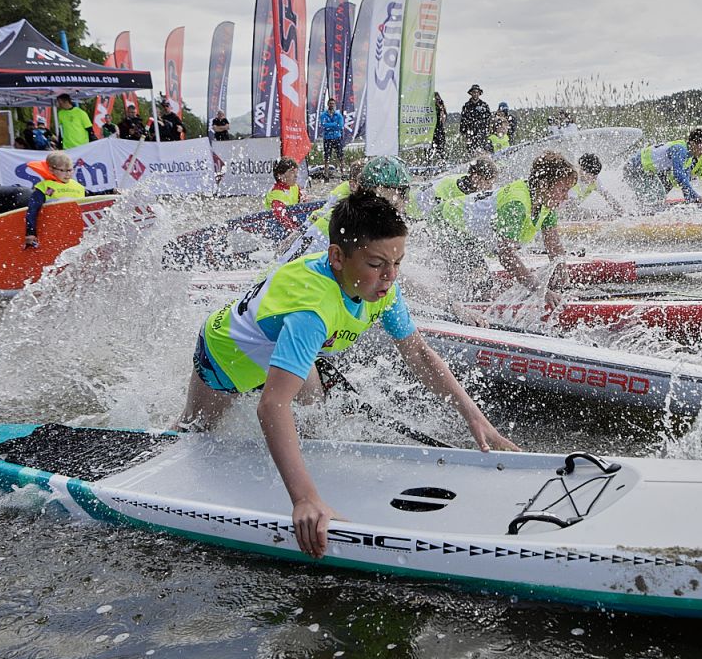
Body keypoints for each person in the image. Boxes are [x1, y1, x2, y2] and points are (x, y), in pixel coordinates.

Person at [177, 189, 518, 557]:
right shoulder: (313, 312)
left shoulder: (383, 287)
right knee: (197, 436)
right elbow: (271, 406)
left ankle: (303, 474)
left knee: (312, 421)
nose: (389, 276)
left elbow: (418, 354)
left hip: (283, 347)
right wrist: (304, 500)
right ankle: (177, 444)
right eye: (376, 265)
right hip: (225, 360)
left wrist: (476, 418)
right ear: (337, 258)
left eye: (397, 262)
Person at [427, 151, 576, 309]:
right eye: (563, 190)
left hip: (468, 232)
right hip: (446, 223)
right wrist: (541, 291)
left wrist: (562, 274)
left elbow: (554, 246)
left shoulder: (546, 203)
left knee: (482, 281)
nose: (566, 197)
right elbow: (506, 256)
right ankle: (447, 304)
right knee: (479, 285)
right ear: (544, 184)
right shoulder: (516, 204)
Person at [282, 156, 412, 263]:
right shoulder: (362, 225)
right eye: (401, 192)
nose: (406, 200)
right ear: (377, 190)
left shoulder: (350, 212)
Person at [622, 128, 702, 212]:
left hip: (645, 172)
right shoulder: (680, 149)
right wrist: (695, 197)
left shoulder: (688, 156)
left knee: (657, 197)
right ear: (693, 143)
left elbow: (684, 179)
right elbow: (678, 175)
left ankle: (639, 212)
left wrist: (690, 199)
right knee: (657, 196)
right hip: (633, 169)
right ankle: (638, 215)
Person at [23, 150, 86, 249]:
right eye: (62, 170)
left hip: (76, 231)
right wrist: (30, 233)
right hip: (54, 231)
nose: (67, 174)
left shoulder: (79, 187)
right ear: (51, 170)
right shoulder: (44, 187)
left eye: (70, 170)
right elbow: (32, 210)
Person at [414, 157, 496, 217]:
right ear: (475, 177)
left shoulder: (467, 181)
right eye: (488, 183)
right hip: (415, 211)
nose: (491, 188)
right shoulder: (448, 190)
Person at [264, 156, 305, 246]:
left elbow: (302, 203)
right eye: (291, 172)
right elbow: (280, 216)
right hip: (276, 231)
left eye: (296, 171)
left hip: (289, 223)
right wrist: (295, 232)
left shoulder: (294, 186)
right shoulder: (276, 194)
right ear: (280, 175)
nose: (296, 175)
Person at [459, 84, 491, 156]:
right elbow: (463, 120)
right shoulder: (466, 106)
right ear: (471, 93)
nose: (475, 94)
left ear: (479, 93)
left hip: (482, 132)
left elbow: (488, 119)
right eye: (474, 92)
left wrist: (487, 130)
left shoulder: (484, 105)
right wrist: (463, 132)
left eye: (477, 92)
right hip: (470, 133)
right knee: (471, 152)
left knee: (482, 151)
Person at [318, 98, 345, 178]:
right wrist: (334, 124)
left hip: (337, 137)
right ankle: (326, 174)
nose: (331, 105)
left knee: (340, 156)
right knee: (327, 156)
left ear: (335, 105)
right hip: (327, 138)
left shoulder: (339, 115)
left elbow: (340, 126)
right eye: (330, 103)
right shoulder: (323, 115)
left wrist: (329, 125)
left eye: (333, 103)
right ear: (328, 104)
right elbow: (323, 125)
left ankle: (343, 173)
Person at [431, 91, 447, 160]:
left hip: (439, 130)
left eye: (438, 99)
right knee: (429, 151)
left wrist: (441, 108)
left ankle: (442, 162)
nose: (436, 101)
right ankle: (428, 164)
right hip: (431, 131)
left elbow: (443, 120)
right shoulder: (431, 108)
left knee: (441, 150)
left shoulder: (441, 108)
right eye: (435, 99)